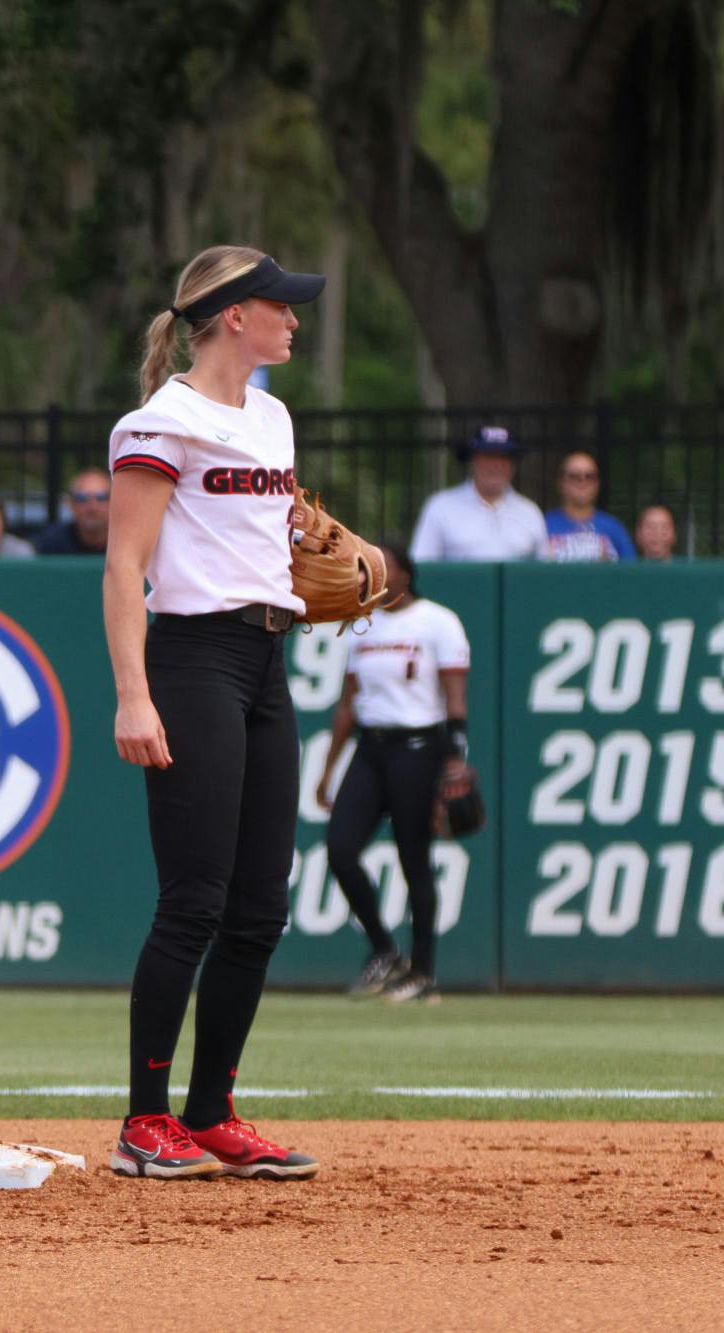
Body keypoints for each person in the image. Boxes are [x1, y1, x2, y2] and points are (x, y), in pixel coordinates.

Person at [102, 245, 324, 1182]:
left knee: (259, 907)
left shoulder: (271, 416)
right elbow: (124, 567)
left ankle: (212, 1110)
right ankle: (143, 1121)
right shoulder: (161, 421)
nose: (295, 320)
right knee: (193, 899)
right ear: (235, 315)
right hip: (194, 661)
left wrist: (312, 550)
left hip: (269, 660)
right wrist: (133, 692)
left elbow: (270, 535)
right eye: (282, 306)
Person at [312, 544, 472, 1005]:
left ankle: (423, 973)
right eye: (365, 567)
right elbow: (347, 704)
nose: (368, 574)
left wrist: (456, 756)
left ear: (404, 574)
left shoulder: (437, 621)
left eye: (380, 567)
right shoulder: (362, 622)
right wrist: (328, 768)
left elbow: (455, 697)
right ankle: (384, 948)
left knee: (413, 858)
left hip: (420, 747)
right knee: (340, 848)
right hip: (371, 747)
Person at [409, 426, 547, 561]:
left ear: (512, 465)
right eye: (488, 457)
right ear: (472, 461)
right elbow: (421, 565)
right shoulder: (440, 507)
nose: (496, 465)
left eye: (503, 458)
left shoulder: (530, 511)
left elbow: (544, 571)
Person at [544, 450, 634, 562]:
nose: (582, 482)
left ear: (597, 484)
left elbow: (631, 572)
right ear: (562, 482)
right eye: (574, 476)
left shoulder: (613, 528)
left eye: (589, 476)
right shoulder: (544, 526)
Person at [34, 468, 112, 555]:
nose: (92, 507)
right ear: (71, 504)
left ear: (113, 502)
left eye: (101, 498)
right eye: (82, 498)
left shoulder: (125, 541)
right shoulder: (50, 543)